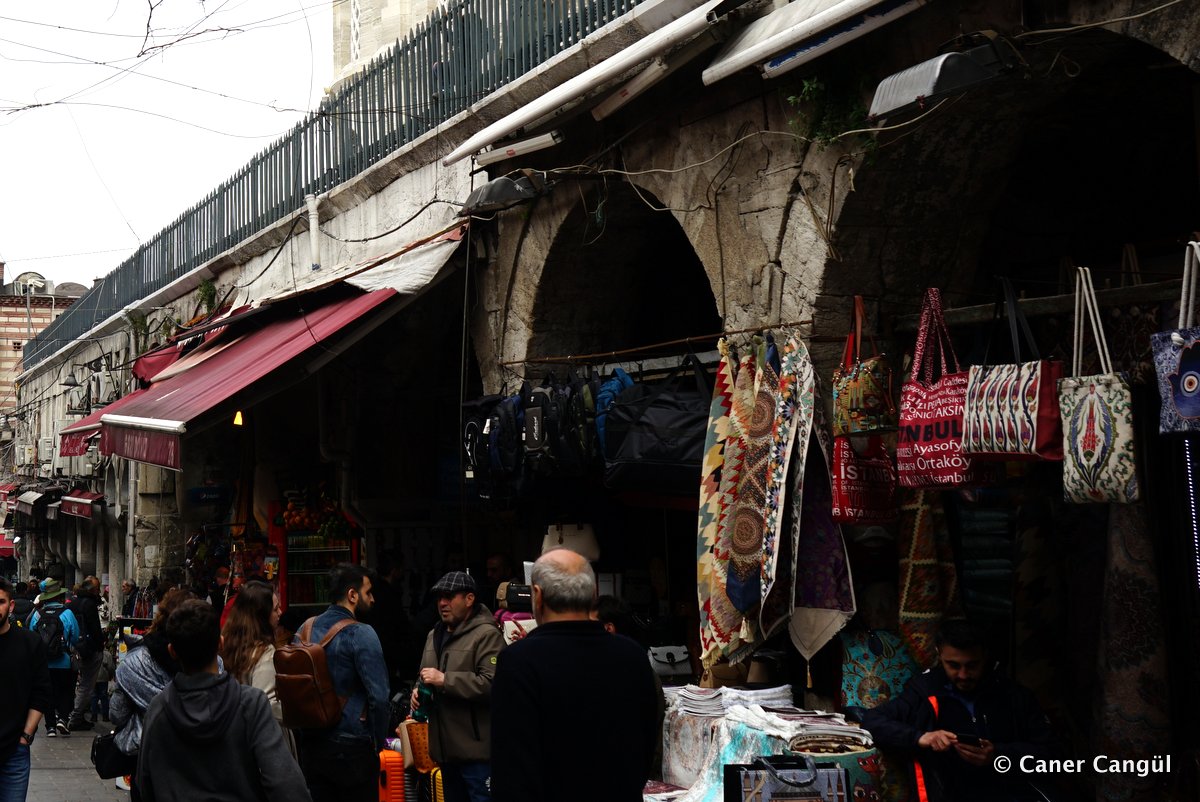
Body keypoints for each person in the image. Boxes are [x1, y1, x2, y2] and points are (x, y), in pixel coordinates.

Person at [491, 550, 658, 802]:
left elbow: (511, 768)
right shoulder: (632, 655)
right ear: (593, 595)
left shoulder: (518, 662)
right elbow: (647, 743)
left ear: (537, 596)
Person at [862, 620, 1060, 802]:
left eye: (972, 665)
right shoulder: (925, 690)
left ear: (985, 655)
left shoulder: (1013, 695)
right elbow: (873, 721)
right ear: (939, 654)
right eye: (953, 665)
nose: (963, 675)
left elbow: (1052, 755)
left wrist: (998, 755)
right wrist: (922, 737)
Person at [136, 599, 311, 802]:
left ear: (172, 651)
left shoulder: (158, 710)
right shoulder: (250, 705)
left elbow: (144, 785)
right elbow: (285, 782)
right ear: (220, 643)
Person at [295, 563, 390, 802]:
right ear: (352, 595)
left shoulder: (304, 630)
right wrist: (378, 744)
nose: (373, 599)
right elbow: (379, 697)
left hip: (311, 744)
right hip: (352, 747)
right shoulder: (362, 633)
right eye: (368, 592)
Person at [411, 570, 505, 802]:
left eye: (450, 597)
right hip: (445, 754)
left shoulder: (486, 635)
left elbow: (494, 684)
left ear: (469, 599)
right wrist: (416, 691)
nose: (442, 603)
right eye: (440, 598)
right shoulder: (433, 635)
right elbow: (424, 676)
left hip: (477, 755)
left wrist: (445, 680)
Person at [111, 588, 197, 801]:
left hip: (148, 752)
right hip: (198, 756)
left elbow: (117, 714)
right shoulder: (209, 661)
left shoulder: (134, 663)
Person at [220, 580, 294, 754]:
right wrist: (294, 713)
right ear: (261, 615)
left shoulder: (230, 646)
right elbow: (266, 705)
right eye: (275, 609)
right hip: (263, 743)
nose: (280, 613)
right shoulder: (264, 653)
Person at [0, 577, 52, 802]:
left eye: (0, 602)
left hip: (14, 751)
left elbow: (41, 692)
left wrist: (26, 735)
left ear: (10, 605)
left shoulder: (30, 643)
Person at [27, 578, 80, 738]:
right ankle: (62, 719)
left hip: (44, 662)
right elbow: (76, 636)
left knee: (47, 694)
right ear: (58, 596)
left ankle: (50, 726)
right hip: (63, 660)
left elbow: (32, 637)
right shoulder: (67, 613)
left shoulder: (38, 614)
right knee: (65, 691)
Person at [68, 576, 105, 731]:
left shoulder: (73, 603)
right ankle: (76, 717)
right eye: (97, 589)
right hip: (89, 648)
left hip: (75, 646)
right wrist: (100, 645)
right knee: (87, 684)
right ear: (92, 590)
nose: (99, 592)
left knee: (80, 683)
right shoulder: (89, 604)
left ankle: (76, 715)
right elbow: (95, 628)